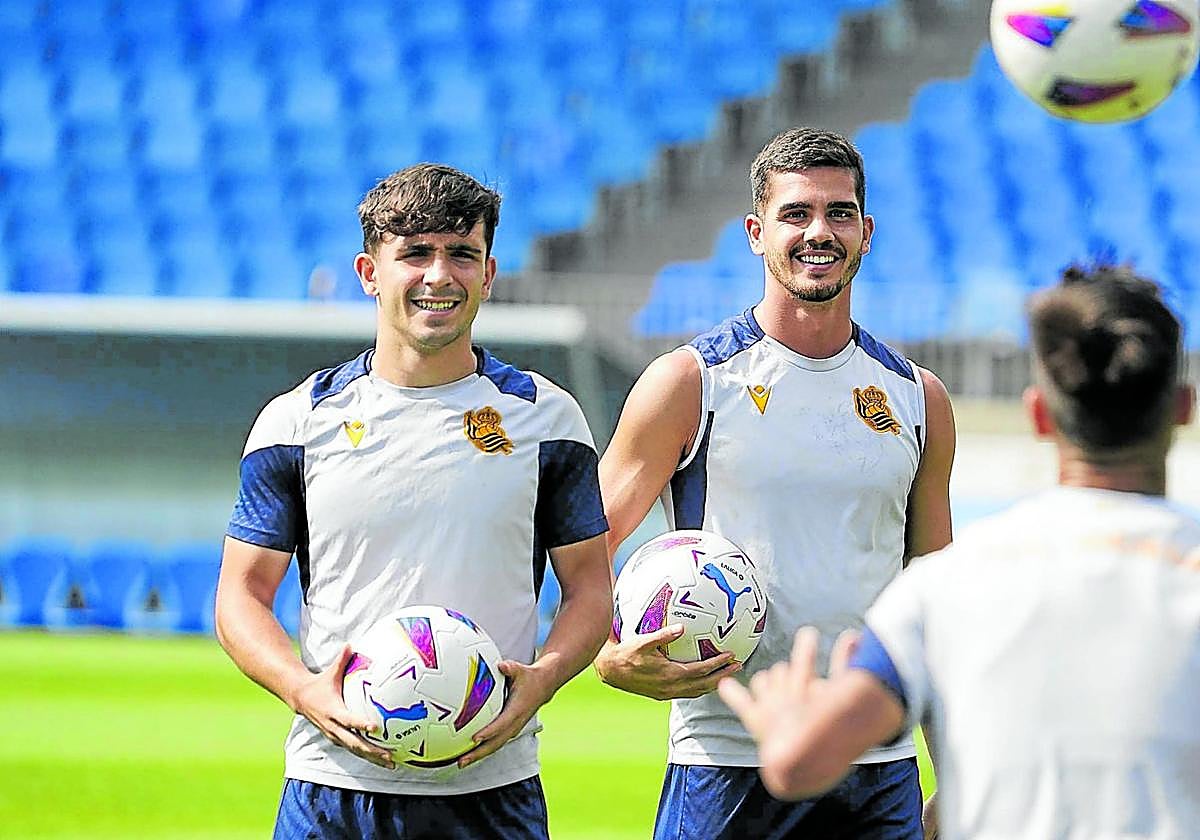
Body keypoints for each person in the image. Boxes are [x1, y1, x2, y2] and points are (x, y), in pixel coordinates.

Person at [720, 264, 1200, 837]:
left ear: (1039, 416)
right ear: (1183, 407)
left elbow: (802, 761)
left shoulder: (948, 584)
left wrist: (784, 727)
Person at [214, 163, 613, 839]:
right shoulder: (297, 423)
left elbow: (591, 590)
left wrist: (544, 678)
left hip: (494, 787)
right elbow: (240, 596)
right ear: (370, 272)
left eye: (462, 254)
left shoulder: (547, 418)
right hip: (333, 787)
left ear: (488, 275)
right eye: (416, 253)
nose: (439, 275)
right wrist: (303, 689)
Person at [594, 127, 956, 838]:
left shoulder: (918, 398)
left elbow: (936, 603)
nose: (818, 232)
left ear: (866, 231)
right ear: (757, 232)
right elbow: (585, 547)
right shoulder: (690, 382)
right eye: (797, 214)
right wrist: (606, 658)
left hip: (876, 766)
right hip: (726, 760)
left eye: (839, 213)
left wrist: (956, 772)